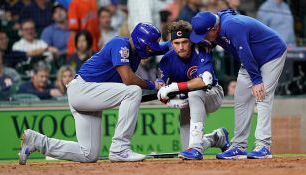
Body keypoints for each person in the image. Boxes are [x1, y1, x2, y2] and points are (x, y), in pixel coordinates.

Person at [19, 23, 169, 165]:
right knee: (133, 91)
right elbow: (128, 79)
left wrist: (180, 38)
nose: (151, 51)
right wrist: (153, 84)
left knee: (88, 154)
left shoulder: (138, 49)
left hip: (89, 94)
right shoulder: (120, 44)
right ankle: (120, 148)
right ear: (140, 43)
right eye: (149, 48)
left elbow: (163, 47)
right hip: (83, 90)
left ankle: (36, 141)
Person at [189, 10, 287, 159]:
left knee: (262, 96)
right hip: (252, 58)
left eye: (204, 35)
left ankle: (263, 146)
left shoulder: (231, 26)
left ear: (214, 29)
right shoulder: (216, 24)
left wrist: (256, 81)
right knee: (241, 99)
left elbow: (244, 52)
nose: (203, 38)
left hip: (271, 54)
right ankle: (239, 146)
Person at [157, 20, 229, 160]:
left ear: (190, 41)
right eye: (177, 43)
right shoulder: (166, 60)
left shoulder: (202, 50)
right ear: (171, 44)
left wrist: (174, 87)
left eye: (184, 42)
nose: (181, 47)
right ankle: (216, 138)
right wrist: (168, 100)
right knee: (186, 150)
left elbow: (204, 81)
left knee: (195, 92)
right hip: (187, 100)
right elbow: (160, 87)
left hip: (212, 94)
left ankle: (196, 148)